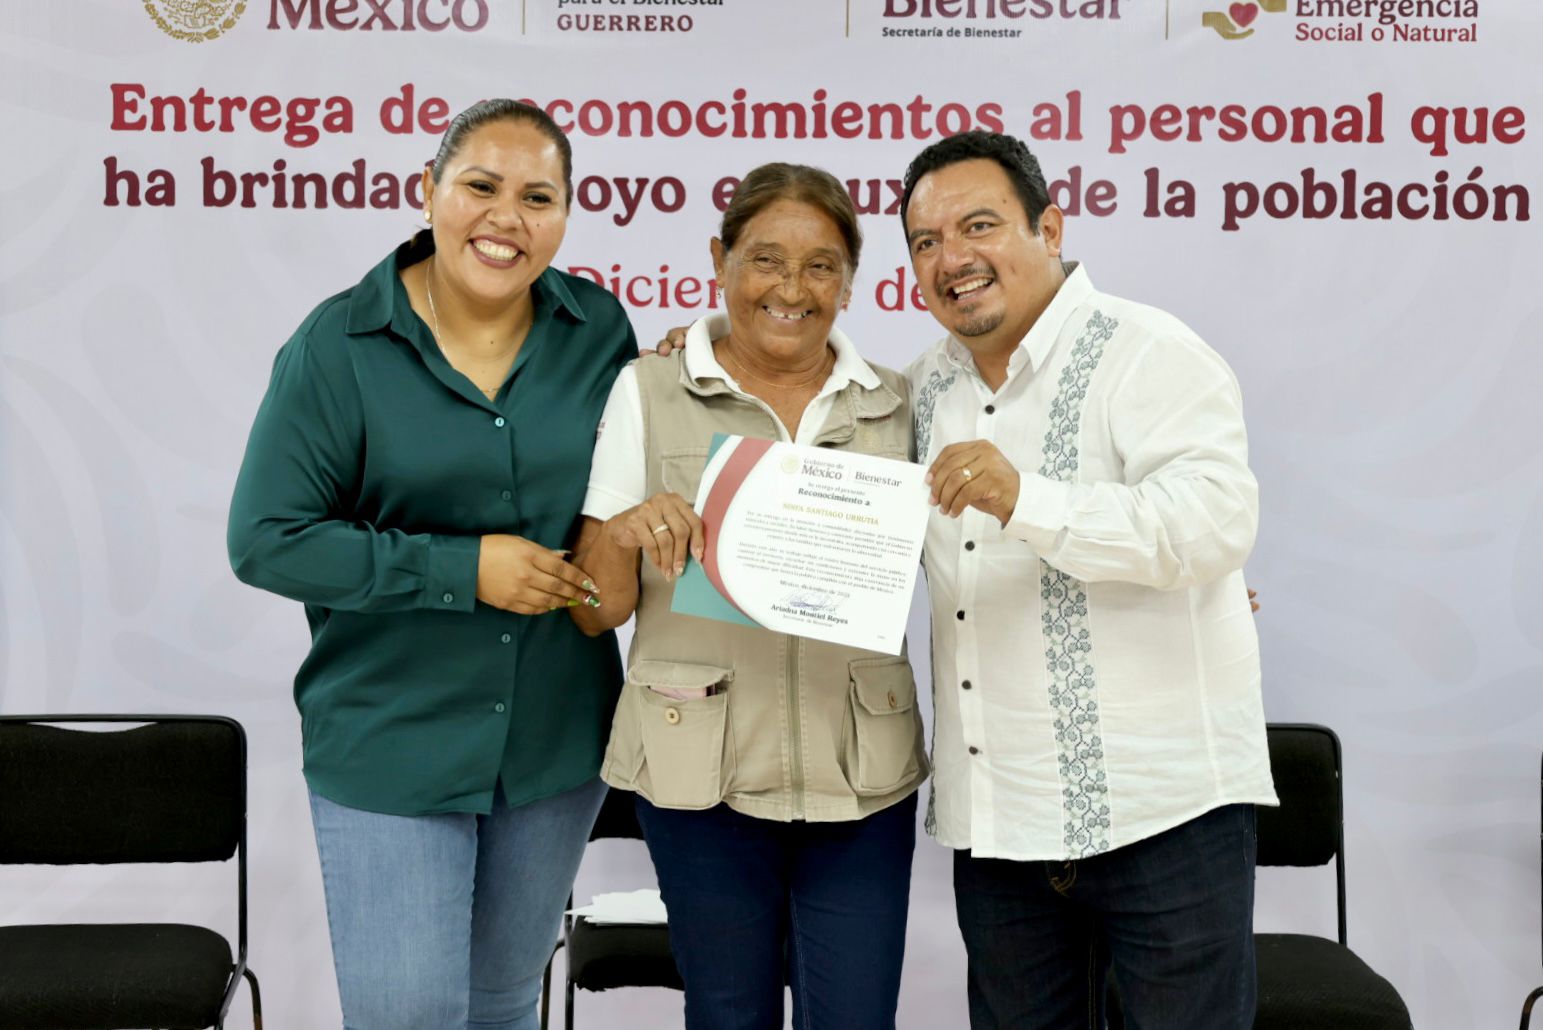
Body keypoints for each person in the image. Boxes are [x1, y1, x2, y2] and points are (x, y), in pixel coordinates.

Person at [226, 99, 637, 1030]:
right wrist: (461, 569)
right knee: (407, 1017)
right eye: (480, 187)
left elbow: (619, 499)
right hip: (391, 741)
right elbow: (266, 538)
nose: (507, 217)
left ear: (565, 217)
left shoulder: (599, 331)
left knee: (501, 1004)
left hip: (553, 743)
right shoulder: (338, 348)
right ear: (429, 192)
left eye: (538, 196)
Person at [901, 131, 1276, 1029]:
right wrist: (700, 345)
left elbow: (1215, 520)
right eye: (924, 242)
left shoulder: (1148, 352)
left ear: (1050, 227)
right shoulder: (918, 390)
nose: (951, 258)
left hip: (1164, 816)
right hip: (1000, 826)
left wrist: (1026, 498)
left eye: (979, 225)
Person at [569, 162, 928, 1030]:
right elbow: (593, 608)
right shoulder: (646, 389)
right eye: (765, 259)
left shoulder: (901, 404)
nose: (791, 289)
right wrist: (624, 532)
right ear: (718, 260)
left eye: (820, 266)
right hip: (700, 772)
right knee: (728, 1016)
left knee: (855, 1019)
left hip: (861, 774)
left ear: (850, 280)